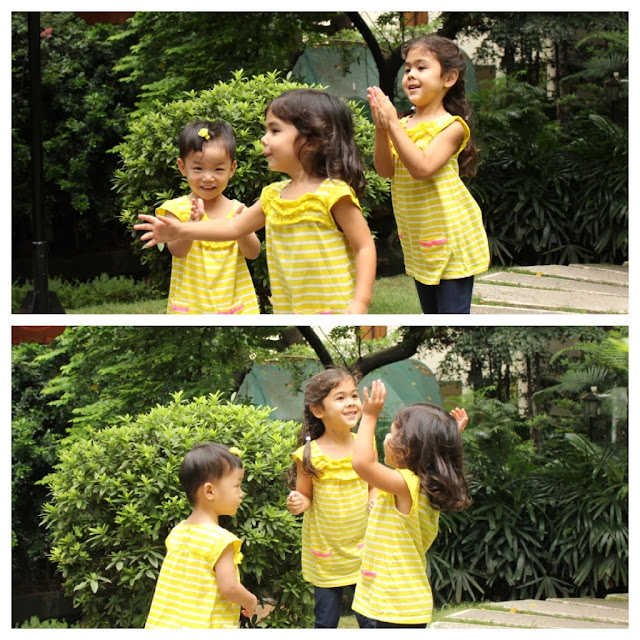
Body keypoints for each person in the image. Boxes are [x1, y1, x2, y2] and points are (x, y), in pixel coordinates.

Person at [135, 89, 377, 314]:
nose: (263, 139)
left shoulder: (334, 193)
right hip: (290, 310)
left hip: (336, 309)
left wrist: (361, 301)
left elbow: (364, 246)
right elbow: (233, 227)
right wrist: (181, 230)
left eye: (274, 131)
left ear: (312, 140)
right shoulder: (273, 195)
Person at [367, 34, 490, 314]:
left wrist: (392, 125)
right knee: (431, 315)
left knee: (451, 319)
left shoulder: (452, 126)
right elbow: (385, 170)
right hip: (420, 239)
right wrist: (382, 128)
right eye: (407, 69)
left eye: (421, 67)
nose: (411, 74)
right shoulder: (402, 125)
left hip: (452, 238)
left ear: (449, 78)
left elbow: (421, 168)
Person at [351, 380, 471, 628]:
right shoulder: (426, 484)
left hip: (391, 607)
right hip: (396, 604)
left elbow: (362, 464)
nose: (386, 438)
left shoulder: (408, 486)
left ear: (410, 449)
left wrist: (370, 415)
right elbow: (434, 453)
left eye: (393, 434)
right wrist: (450, 437)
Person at [285, 367, 377, 628]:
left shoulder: (366, 444)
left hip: (362, 549)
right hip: (325, 552)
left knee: (371, 620)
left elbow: (375, 485)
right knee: (326, 621)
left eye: (354, 395)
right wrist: (298, 503)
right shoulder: (309, 454)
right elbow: (306, 497)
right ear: (318, 410)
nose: (351, 402)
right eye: (340, 397)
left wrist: (374, 497)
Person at [145, 443, 258, 628]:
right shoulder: (221, 541)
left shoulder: (177, 533)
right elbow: (230, 587)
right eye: (237, 485)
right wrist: (250, 600)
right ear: (209, 491)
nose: (241, 493)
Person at [157, 119, 261, 314]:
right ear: (182, 167)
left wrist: (240, 229)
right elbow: (177, 251)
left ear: (232, 169)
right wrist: (190, 225)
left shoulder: (238, 210)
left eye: (218, 169)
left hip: (235, 306)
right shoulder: (176, 209)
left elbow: (253, 253)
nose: (208, 177)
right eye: (198, 168)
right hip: (192, 307)